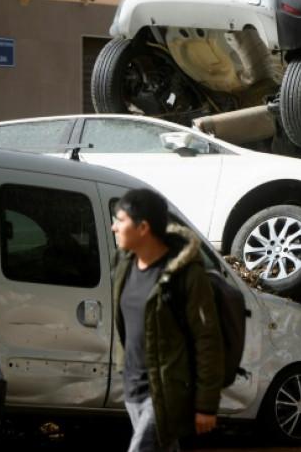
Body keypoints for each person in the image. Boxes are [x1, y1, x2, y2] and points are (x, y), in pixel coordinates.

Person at [112, 188, 224, 452]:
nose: (113, 227)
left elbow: (208, 339)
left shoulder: (186, 275)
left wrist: (206, 404)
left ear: (143, 228)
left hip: (165, 391)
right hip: (132, 386)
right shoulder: (124, 264)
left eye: (120, 220)